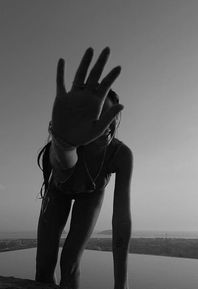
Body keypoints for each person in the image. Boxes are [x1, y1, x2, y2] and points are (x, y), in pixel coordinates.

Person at [35, 47, 133, 289]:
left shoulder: (120, 155)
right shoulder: (65, 147)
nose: (95, 124)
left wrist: (121, 285)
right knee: (44, 265)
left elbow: (121, 223)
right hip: (59, 189)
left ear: (113, 123)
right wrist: (64, 142)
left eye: (103, 116)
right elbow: (64, 165)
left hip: (91, 192)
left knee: (69, 262)